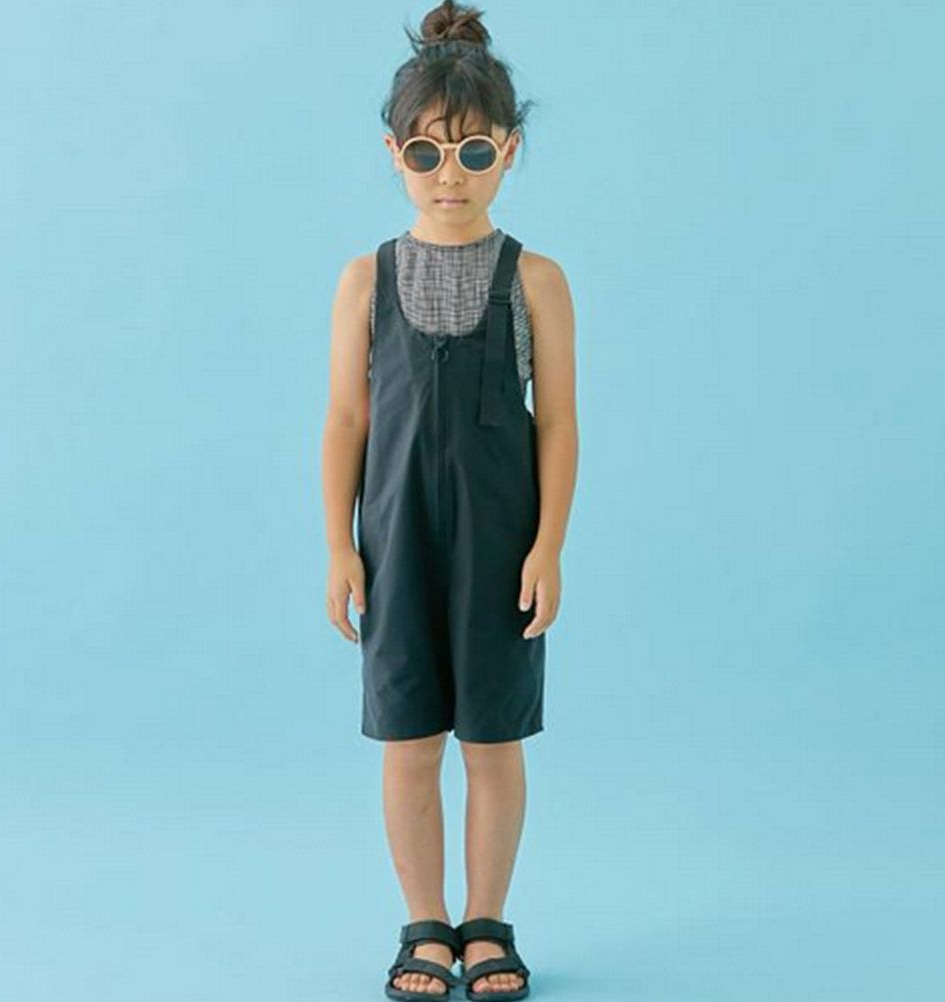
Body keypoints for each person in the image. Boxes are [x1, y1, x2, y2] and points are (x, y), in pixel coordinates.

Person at [321, 2, 577, 998]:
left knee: (494, 742)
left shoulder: (536, 280)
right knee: (408, 742)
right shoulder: (366, 279)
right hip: (396, 545)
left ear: (508, 151)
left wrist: (548, 546)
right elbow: (347, 421)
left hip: (500, 546)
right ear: (396, 156)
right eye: (427, 154)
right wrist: (339, 547)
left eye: (473, 152)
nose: (451, 176)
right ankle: (425, 924)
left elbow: (557, 425)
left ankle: (488, 923)